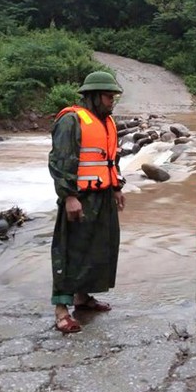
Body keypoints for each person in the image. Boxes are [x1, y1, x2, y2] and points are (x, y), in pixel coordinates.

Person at [48, 71, 126, 333]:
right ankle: (61, 310)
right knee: (71, 251)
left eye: (113, 97)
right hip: (79, 197)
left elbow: (110, 160)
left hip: (103, 196)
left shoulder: (107, 122)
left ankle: (83, 298)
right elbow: (60, 162)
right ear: (92, 96)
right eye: (107, 96)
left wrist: (116, 188)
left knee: (99, 248)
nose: (111, 101)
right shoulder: (71, 120)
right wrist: (69, 196)